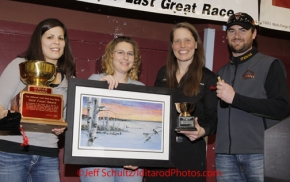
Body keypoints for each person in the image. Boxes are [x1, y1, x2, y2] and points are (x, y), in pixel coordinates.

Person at [215, 12, 289, 182]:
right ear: (226, 35)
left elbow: (281, 109)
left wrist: (236, 99)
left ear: (254, 34)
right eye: (232, 31)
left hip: (260, 155)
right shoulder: (221, 72)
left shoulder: (270, 64)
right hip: (225, 158)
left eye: (243, 30)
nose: (237, 35)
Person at [0, 18, 75, 182]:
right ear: (38, 40)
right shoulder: (20, 65)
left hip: (47, 153)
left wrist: (61, 126)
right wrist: (16, 115)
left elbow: (64, 119)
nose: (56, 42)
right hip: (11, 151)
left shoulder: (69, 79)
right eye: (50, 37)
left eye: (60, 38)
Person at [146, 22, 218, 182]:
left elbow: (213, 119)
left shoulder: (208, 78)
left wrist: (202, 131)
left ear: (196, 44)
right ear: (172, 45)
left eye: (187, 40)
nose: (182, 45)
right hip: (160, 152)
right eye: (177, 41)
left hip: (190, 153)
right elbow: (154, 112)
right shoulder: (163, 73)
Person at [80, 36, 144, 182]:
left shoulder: (140, 89)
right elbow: (82, 119)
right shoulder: (95, 80)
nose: (125, 57)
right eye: (120, 52)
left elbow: (139, 131)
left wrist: (140, 156)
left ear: (135, 58)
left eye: (130, 53)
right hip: (96, 158)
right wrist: (98, 87)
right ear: (111, 55)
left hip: (130, 162)